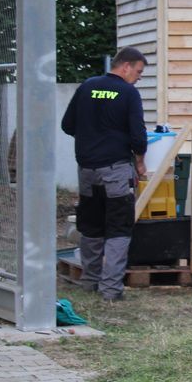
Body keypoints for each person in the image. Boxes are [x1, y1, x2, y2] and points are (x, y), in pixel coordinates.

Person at [60, 47, 148, 303]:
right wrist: (140, 162)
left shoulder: (87, 86)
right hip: (116, 170)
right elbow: (138, 135)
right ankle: (110, 290)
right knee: (119, 228)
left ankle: (90, 282)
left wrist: (91, 138)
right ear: (126, 67)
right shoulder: (129, 93)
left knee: (91, 226)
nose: (139, 77)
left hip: (87, 169)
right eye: (139, 72)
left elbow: (67, 125)